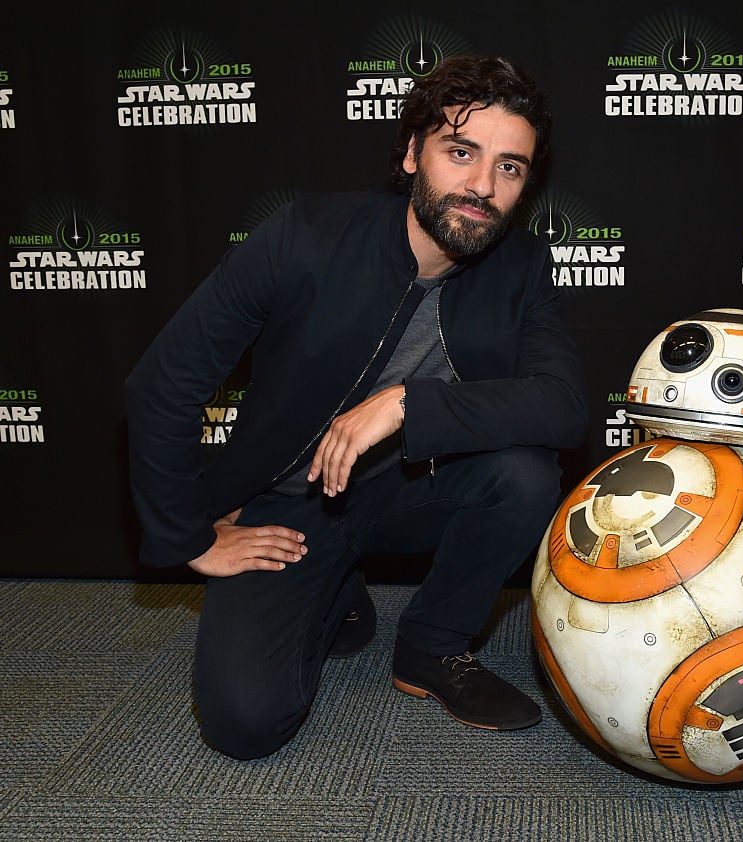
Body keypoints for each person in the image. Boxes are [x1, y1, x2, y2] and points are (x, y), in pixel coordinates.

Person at [124, 55, 588, 760]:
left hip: (412, 488)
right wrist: (186, 534)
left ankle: (432, 645)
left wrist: (406, 404)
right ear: (411, 154)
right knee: (245, 724)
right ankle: (332, 589)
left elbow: (563, 408)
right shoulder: (305, 237)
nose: (483, 186)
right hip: (293, 505)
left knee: (523, 471)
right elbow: (162, 384)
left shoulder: (521, 269)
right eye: (461, 153)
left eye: (510, 167)